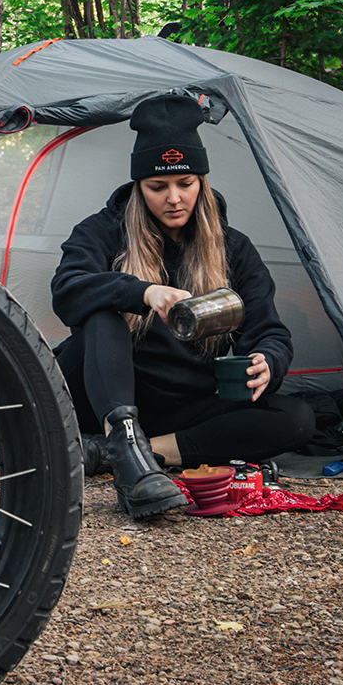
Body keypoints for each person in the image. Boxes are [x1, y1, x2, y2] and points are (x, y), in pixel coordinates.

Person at [50, 93, 315, 518]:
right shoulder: (102, 231)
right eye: (158, 187)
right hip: (98, 395)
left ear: (202, 182)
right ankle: (124, 447)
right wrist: (141, 293)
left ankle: (129, 453)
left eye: (185, 183)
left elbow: (268, 329)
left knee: (297, 416)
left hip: (182, 407)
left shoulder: (234, 249)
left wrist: (268, 359)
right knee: (102, 313)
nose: (174, 198)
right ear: (138, 186)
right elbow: (67, 292)